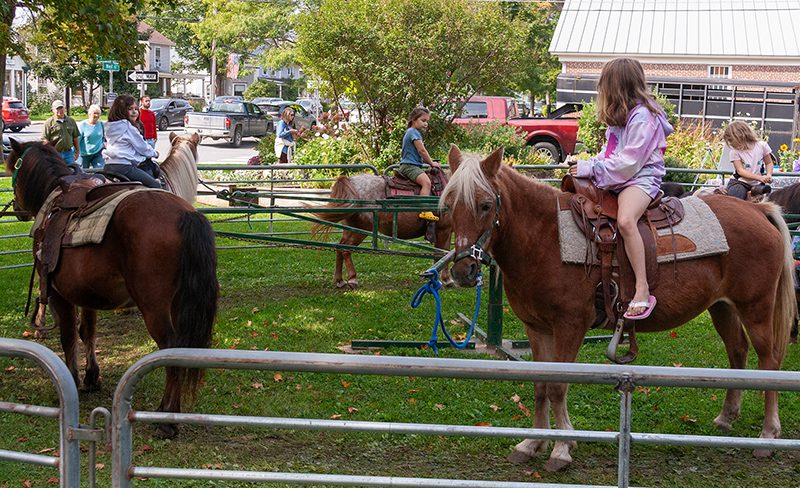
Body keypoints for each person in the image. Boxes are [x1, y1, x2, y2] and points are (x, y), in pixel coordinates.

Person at [567, 58, 673, 320]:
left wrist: (592, 170)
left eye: (604, 85)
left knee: (626, 221)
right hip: (620, 176)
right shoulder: (620, 118)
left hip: (642, 178)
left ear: (616, 86)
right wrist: (587, 164)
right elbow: (610, 153)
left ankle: (641, 288)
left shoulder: (644, 118)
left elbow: (630, 162)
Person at [103, 95, 161, 189]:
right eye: (130, 109)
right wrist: (154, 153)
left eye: (136, 109)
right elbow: (142, 147)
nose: (134, 112)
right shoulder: (128, 127)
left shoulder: (108, 126)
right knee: (155, 185)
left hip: (108, 165)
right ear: (121, 111)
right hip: (124, 167)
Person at [398, 107, 441, 221]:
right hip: (409, 166)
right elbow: (421, 151)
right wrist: (432, 163)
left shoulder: (412, 132)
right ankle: (425, 210)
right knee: (426, 182)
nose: (426, 124)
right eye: (423, 120)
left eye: (427, 121)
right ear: (413, 120)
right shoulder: (413, 132)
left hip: (412, 165)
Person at [723, 121, 775, 199]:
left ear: (740, 136)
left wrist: (769, 175)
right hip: (740, 182)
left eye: (731, 140)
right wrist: (760, 178)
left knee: (766, 197)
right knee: (737, 195)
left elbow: (769, 163)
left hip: (758, 183)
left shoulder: (762, 146)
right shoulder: (735, 152)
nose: (731, 143)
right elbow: (740, 171)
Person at [42, 99, 80, 165]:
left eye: (61, 108)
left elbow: (75, 137)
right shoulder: (48, 123)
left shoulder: (71, 121)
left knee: (72, 171)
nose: (60, 111)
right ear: (53, 110)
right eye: (57, 109)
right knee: (57, 172)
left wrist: (77, 152)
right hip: (55, 153)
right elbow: (45, 140)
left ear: (64, 109)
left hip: (68, 153)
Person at [77, 104, 105, 169]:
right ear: (89, 114)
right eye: (94, 113)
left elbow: (103, 137)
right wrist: (75, 153)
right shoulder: (82, 125)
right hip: (83, 154)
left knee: (100, 170)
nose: (97, 115)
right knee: (82, 173)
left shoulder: (101, 124)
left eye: (98, 113)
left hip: (97, 153)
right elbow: (77, 140)